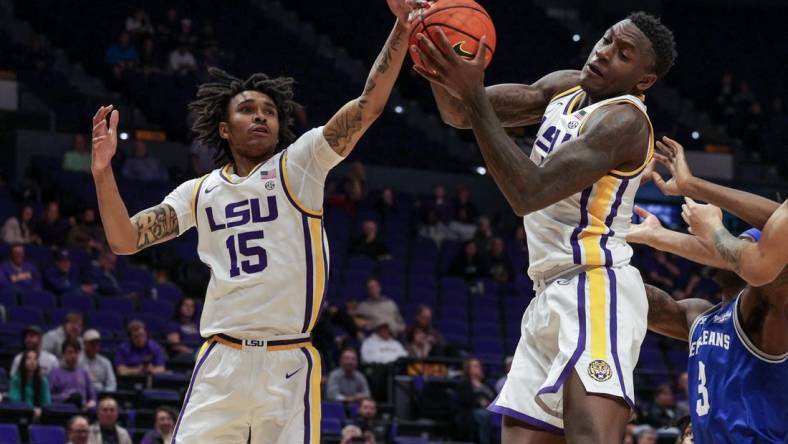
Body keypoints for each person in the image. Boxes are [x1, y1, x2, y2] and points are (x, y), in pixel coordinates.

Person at [415, 10, 676, 442]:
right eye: (608, 39)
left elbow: (528, 192)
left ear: (643, 80)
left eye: (623, 53)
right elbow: (460, 112)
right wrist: (427, 40)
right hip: (546, 292)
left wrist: (474, 95)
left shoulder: (625, 122)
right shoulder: (564, 86)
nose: (604, 52)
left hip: (595, 287)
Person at [627, 136, 786, 443]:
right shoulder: (701, 315)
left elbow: (777, 227)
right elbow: (644, 302)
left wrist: (700, 199)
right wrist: (607, 251)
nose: (735, 250)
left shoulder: (767, 314)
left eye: (746, 245)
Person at [48, 338, 96, 410]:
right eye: (70, 352)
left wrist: (91, 403)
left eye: (76, 352)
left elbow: (92, 396)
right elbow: (49, 396)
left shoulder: (84, 373)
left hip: (83, 410)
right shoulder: (54, 373)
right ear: (64, 354)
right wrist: (64, 397)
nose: (73, 356)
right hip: (63, 409)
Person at [456, 358, 495, 444]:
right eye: (475, 366)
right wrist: (480, 402)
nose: (479, 368)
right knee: (484, 415)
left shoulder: (485, 383)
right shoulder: (465, 383)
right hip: (471, 410)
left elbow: (494, 395)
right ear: (468, 369)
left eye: (479, 366)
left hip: (490, 408)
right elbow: (466, 400)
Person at [9, 349, 51, 418]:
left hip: (39, 415)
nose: (32, 361)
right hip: (20, 413)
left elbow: (47, 402)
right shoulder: (16, 380)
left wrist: (40, 410)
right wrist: (31, 409)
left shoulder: (43, 381)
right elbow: (14, 400)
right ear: (23, 362)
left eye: (35, 359)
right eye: (29, 358)